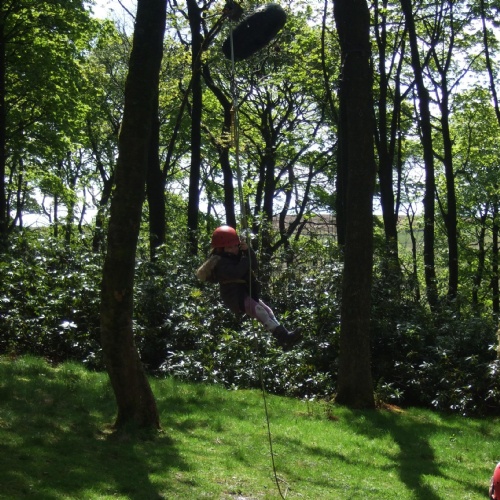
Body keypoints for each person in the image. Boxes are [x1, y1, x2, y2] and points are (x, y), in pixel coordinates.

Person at [196, 225, 302, 350]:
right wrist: (246, 258)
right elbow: (237, 272)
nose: (234, 249)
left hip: (244, 292)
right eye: (229, 247)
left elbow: (254, 265)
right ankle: (284, 337)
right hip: (235, 297)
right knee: (259, 311)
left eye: (235, 246)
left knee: (267, 310)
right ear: (221, 249)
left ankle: (284, 336)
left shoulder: (237, 257)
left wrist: (248, 251)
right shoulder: (220, 263)